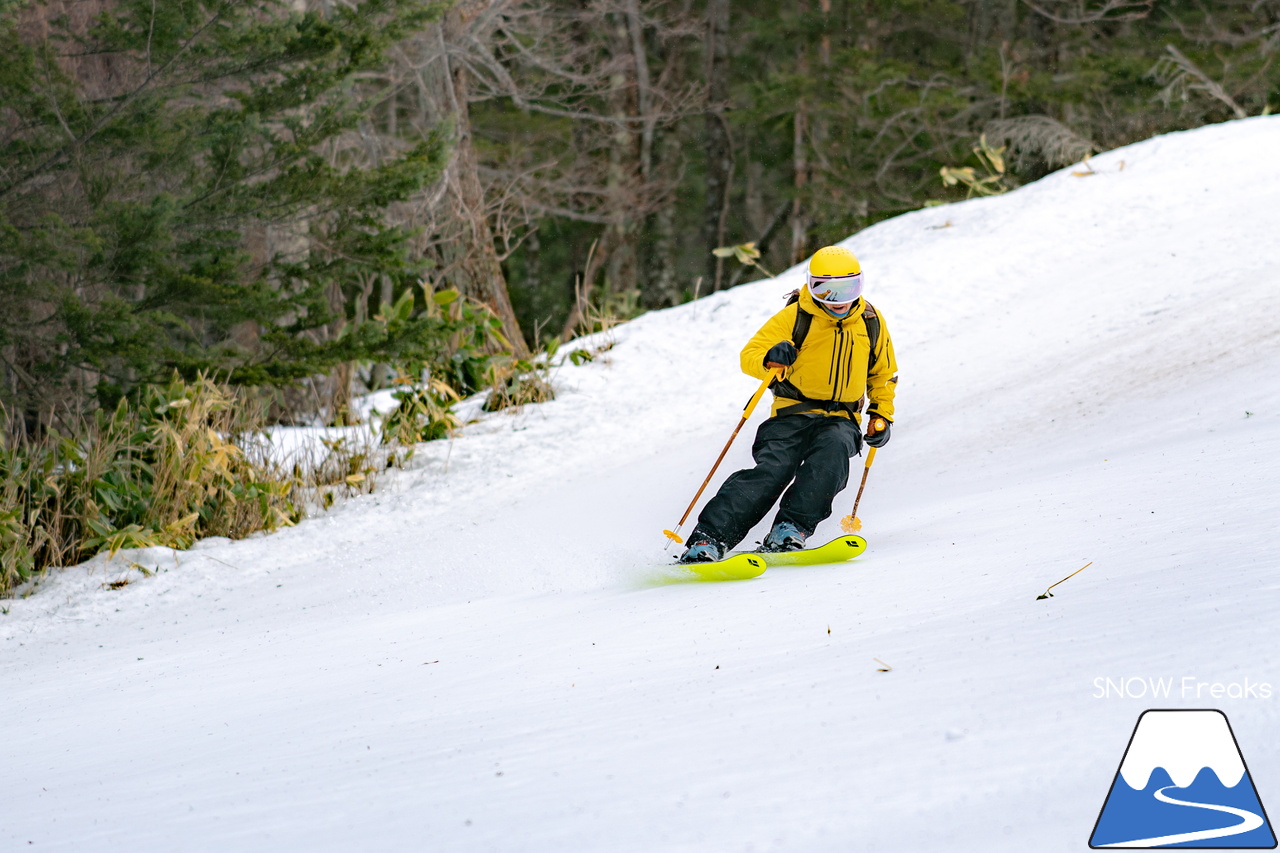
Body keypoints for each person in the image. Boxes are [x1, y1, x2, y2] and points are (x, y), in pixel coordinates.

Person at [678, 245, 898, 563]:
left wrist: (882, 414)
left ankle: (789, 529)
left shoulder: (869, 321)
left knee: (831, 459)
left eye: (848, 289)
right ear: (811, 286)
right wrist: (771, 357)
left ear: (860, 285)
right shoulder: (795, 316)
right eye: (826, 290)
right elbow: (750, 354)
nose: (838, 300)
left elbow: (883, 373)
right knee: (773, 471)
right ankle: (709, 539)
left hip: (841, 417)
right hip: (791, 412)